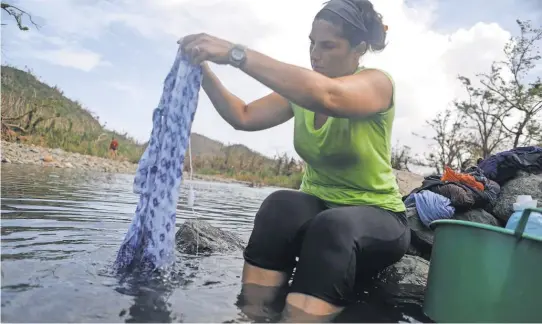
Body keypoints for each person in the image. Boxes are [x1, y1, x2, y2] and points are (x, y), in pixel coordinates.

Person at [179, 0, 410, 321]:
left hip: (379, 218)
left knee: (334, 226)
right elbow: (242, 115)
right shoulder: (300, 93)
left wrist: (236, 54)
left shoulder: (377, 83)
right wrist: (203, 72)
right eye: (312, 43)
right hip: (321, 207)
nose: (315, 54)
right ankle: (252, 313)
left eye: (328, 45)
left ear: (359, 48)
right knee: (280, 205)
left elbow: (330, 96)